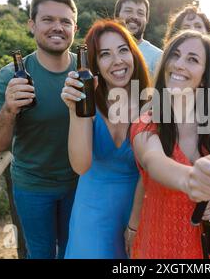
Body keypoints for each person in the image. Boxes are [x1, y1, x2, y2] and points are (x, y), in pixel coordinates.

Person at [128, 30, 210, 259]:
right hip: (163, 243)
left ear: (206, 74)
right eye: (174, 55)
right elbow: (153, 161)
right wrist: (191, 179)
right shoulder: (146, 122)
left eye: (192, 59)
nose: (178, 64)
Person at [0, 0, 79, 259]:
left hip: (78, 185)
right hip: (32, 188)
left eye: (65, 21)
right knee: (40, 253)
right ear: (32, 25)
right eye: (48, 19)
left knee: (73, 252)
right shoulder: (11, 75)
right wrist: (9, 110)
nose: (58, 27)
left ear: (75, 28)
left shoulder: (86, 72)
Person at [61, 19, 151, 258]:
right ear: (96, 64)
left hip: (139, 210)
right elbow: (81, 165)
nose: (118, 61)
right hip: (92, 213)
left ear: (134, 55)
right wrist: (75, 111)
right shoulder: (86, 100)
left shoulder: (152, 104)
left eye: (123, 50)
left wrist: (135, 222)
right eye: (105, 54)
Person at [114, 0, 162, 76]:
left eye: (140, 13)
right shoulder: (102, 50)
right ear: (116, 16)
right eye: (128, 11)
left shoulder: (158, 57)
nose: (135, 17)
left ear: (146, 20)